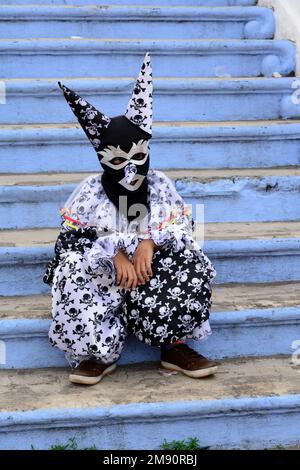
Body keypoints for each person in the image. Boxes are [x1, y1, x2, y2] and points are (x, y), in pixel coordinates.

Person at [44, 53, 218, 385]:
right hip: (107, 273)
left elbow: (185, 227)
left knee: (190, 259)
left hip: (150, 269)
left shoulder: (160, 185)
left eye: (138, 156)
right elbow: (70, 242)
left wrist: (149, 243)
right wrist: (114, 252)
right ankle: (96, 353)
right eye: (119, 159)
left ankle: (173, 345)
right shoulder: (90, 192)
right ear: (103, 158)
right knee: (71, 269)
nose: (130, 169)